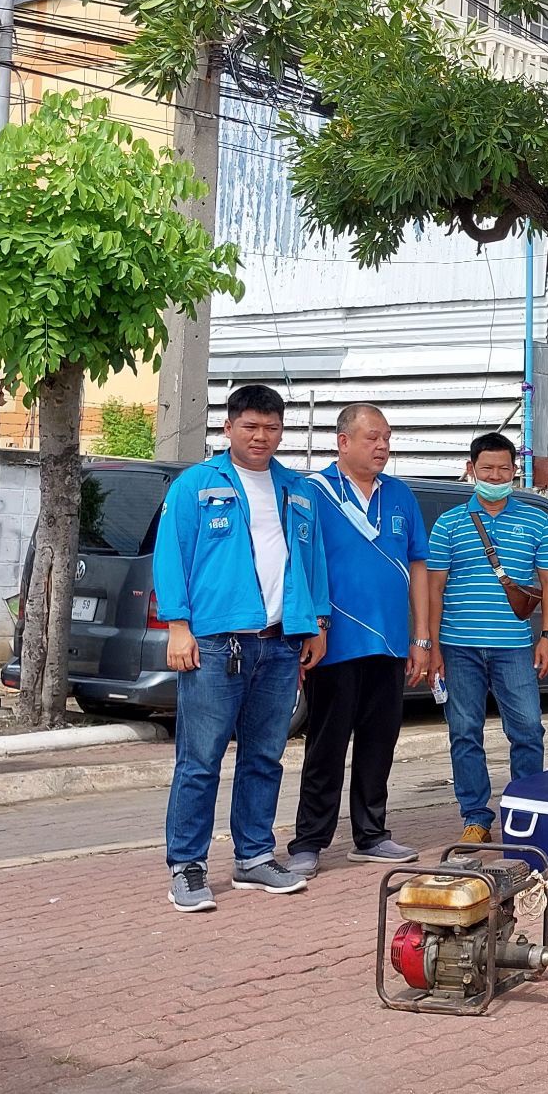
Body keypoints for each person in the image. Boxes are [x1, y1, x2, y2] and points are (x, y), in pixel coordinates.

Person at [152, 384, 330, 912]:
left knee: (265, 757)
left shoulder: (298, 490)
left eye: (271, 428)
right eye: (250, 426)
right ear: (228, 428)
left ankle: (254, 857)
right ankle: (187, 866)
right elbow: (170, 557)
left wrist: (315, 622)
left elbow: (312, 559)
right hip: (213, 644)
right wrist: (178, 626)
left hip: (279, 645)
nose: (261, 436)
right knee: (200, 760)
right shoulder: (195, 485)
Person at [284, 404, 431, 874]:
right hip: (334, 644)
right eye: (372, 437)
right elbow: (300, 565)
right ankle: (309, 840)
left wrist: (422, 637)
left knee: (379, 742)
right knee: (326, 744)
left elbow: (419, 566)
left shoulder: (401, 496)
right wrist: (313, 626)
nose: (382, 446)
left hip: (389, 643)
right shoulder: (312, 492)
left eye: (387, 437)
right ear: (343, 441)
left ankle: (370, 834)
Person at [426, 432, 548, 848]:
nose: (496, 475)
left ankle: (526, 809)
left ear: (514, 471)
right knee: (464, 732)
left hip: (516, 646)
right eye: (487, 468)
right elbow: (434, 589)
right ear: (472, 470)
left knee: (528, 729)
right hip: (458, 646)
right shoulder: (449, 523)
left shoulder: (536, 520)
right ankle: (476, 816)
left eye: (504, 468)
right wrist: (431, 647)